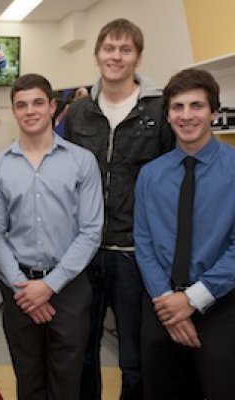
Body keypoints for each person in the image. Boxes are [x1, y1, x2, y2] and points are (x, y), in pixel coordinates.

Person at [64, 18, 175, 400]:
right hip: (84, 252)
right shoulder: (77, 114)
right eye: (109, 48)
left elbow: (172, 179)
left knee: (134, 357)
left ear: (138, 57)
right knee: (82, 354)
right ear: (97, 55)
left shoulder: (159, 111)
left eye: (125, 49)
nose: (116, 56)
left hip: (134, 255)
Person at [0, 73, 103, 400]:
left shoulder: (82, 162)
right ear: (13, 112)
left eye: (38, 102)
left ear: (53, 106)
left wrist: (49, 286)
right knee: (28, 379)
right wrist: (22, 287)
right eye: (21, 105)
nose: (30, 111)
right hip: (18, 288)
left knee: (67, 381)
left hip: (69, 286)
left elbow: (91, 230)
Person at [134, 68, 235, 400]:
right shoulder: (151, 175)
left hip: (220, 307)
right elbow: (144, 244)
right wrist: (168, 303)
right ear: (167, 115)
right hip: (160, 306)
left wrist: (191, 300)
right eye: (178, 107)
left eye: (197, 106)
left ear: (214, 113)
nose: (186, 116)